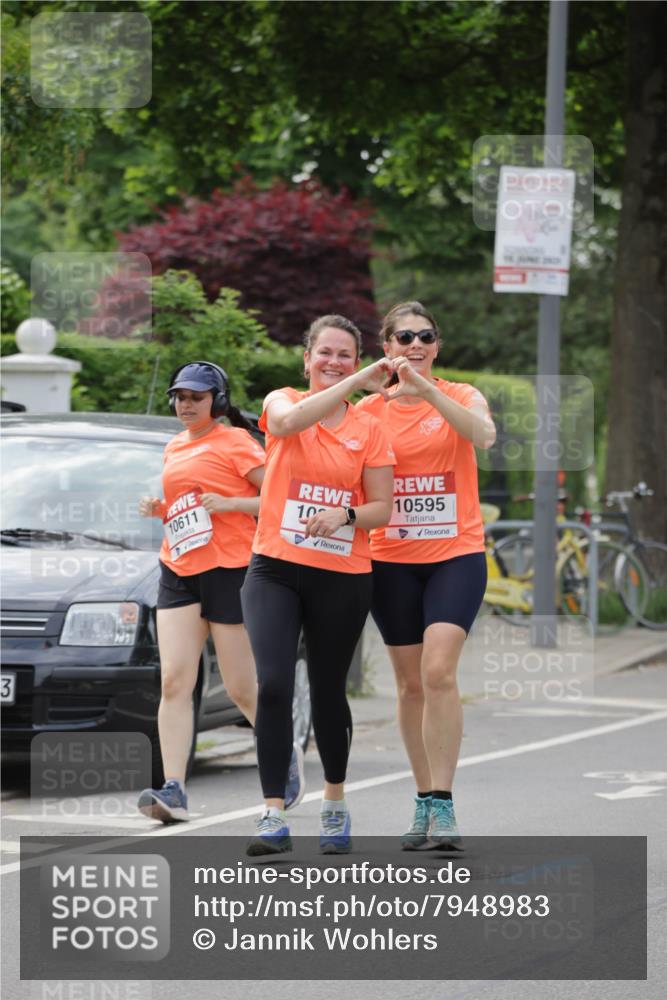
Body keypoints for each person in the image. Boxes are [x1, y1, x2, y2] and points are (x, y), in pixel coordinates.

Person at [240, 316, 396, 856]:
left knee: (329, 690)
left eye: (346, 355)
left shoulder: (370, 428)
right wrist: (351, 386)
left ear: (358, 359)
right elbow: (283, 428)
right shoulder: (281, 400)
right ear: (306, 359)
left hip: (341, 575)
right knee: (275, 684)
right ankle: (272, 814)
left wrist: (345, 515)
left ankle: (334, 801)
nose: (334, 362)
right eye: (325, 353)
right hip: (275, 567)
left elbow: (382, 508)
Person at [136, 361, 305, 822]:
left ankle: (283, 755)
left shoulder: (236, 442)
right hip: (178, 568)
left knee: (240, 688)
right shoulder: (173, 446)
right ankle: (173, 790)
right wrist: (162, 509)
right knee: (174, 680)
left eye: (196, 397)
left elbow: (280, 499)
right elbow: (189, 505)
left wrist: (232, 503)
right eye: (180, 397)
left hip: (231, 570)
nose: (185, 404)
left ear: (218, 401)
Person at [356, 302, 496, 850]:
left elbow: (482, 436)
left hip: (454, 554)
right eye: (403, 337)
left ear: (436, 345)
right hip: (391, 557)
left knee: (439, 671)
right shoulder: (369, 412)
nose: (415, 344)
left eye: (425, 336)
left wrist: (428, 390)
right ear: (386, 347)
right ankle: (422, 800)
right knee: (410, 683)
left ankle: (444, 801)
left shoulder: (460, 395)